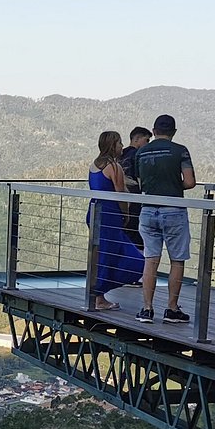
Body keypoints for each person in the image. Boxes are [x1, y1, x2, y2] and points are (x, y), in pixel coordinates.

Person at [134, 114, 196, 324]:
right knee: (177, 260)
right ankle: (172, 308)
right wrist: (173, 186)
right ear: (174, 132)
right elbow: (190, 182)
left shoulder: (141, 152)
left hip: (148, 210)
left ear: (153, 131)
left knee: (151, 259)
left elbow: (141, 183)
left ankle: (147, 309)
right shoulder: (180, 151)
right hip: (173, 209)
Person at [86, 131, 144, 310]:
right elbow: (120, 194)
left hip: (95, 212)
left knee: (103, 254)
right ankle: (99, 296)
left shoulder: (94, 165)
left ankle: (98, 295)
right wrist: (126, 214)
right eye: (119, 143)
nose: (122, 146)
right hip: (110, 214)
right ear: (113, 145)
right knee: (132, 259)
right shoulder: (114, 167)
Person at [119, 126, 152, 251]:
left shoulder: (120, 155)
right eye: (146, 140)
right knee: (136, 233)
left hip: (121, 198)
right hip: (135, 200)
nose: (147, 144)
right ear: (137, 139)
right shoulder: (138, 155)